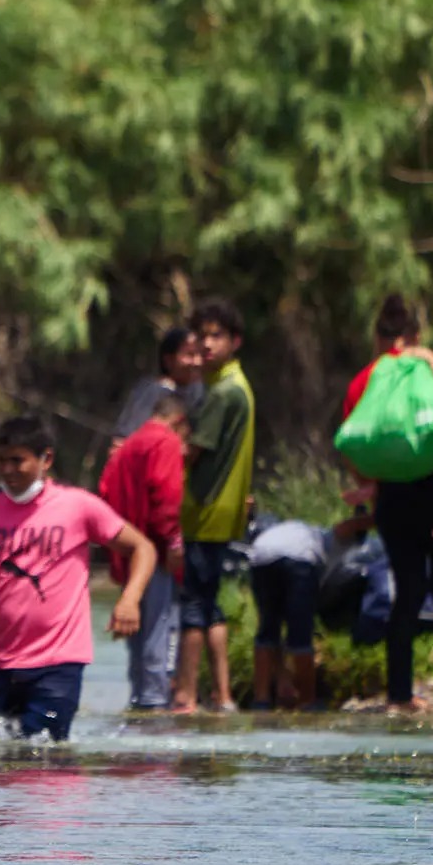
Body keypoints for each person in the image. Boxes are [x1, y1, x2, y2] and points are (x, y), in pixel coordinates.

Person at [0, 415, 160, 741]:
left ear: (45, 459)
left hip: (59, 664)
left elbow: (143, 548)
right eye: (1, 462)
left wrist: (130, 600)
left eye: (17, 461)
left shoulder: (78, 506)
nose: (7, 470)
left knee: (44, 759)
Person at [340, 295, 433, 712]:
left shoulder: (365, 379)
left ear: (377, 336)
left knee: (406, 592)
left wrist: (370, 484)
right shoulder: (425, 367)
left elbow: (353, 443)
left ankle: (400, 695)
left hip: (392, 498)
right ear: (415, 335)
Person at [171, 298, 256, 714]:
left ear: (235, 341)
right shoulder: (236, 384)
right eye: (201, 336)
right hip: (224, 511)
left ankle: (185, 695)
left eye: (216, 336)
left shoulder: (222, 392)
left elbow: (192, 453)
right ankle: (222, 696)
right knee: (211, 602)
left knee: (192, 603)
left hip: (204, 511)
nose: (206, 344)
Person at [96, 392, 188, 710]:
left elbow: (105, 490)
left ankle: (139, 697)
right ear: (179, 421)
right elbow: (166, 496)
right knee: (160, 627)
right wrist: (174, 542)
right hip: (157, 553)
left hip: (127, 553)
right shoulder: (166, 442)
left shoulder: (129, 445)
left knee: (137, 629)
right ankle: (154, 700)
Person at [245, 514, 369, 710]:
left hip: (261, 555)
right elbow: (346, 526)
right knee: (301, 634)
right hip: (298, 558)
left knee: (268, 629)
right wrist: (378, 515)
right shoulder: (332, 540)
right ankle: (308, 700)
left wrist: (284, 677)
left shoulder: (301, 532)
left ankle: (261, 700)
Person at [112, 326, 207, 441]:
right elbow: (125, 437)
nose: (198, 362)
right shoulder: (152, 392)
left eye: (200, 355)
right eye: (190, 355)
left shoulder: (198, 394)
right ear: (169, 360)